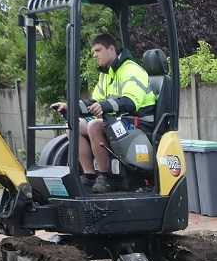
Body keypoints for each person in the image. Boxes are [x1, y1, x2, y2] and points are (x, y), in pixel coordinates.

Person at [51, 32, 156, 194]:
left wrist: (105, 106)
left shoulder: (131, 70)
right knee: (73, 126)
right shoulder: (106, 74)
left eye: (98, 50)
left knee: (94, 126)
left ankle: (104, 177)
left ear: (111, 49)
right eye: (94, 51)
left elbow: (131, 102)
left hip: (137, 123)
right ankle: (89, 176)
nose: (94, 55)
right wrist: (70, 107)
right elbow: (95, 102)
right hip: (117, 121)